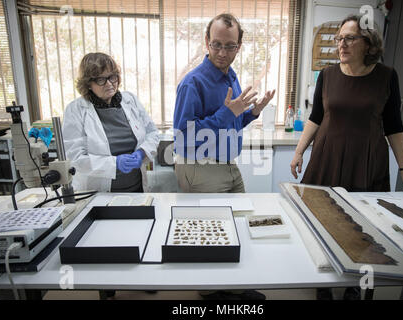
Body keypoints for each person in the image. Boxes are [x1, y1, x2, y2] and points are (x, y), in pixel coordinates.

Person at [290, 15, 403, 300]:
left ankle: (357, 286)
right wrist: (298, 152)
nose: (341, 44)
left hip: (366, 162)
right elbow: (316, 117)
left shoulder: (386, 76)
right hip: (327, 158)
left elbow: (393, 125)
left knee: (365, 229)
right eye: (339, 39)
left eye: (349, 38)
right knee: (324, 221)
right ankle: (325, 284)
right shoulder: (328, 75)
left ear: (368, 43)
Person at [173, 13, 275, 300]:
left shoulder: (231, 76)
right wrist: (226, 113)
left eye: (229, 46)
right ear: (207, 42)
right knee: (211, 231)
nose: (221, 52)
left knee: (238, 224)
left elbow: (230, 124)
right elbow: (183, 136)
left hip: (227, 165)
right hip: (200, 166)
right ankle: (210, 291)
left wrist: (252, 113)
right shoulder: (193, 83)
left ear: (238, 47)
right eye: (216, 44)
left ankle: (232, 284)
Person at [63, 52, 160, 194]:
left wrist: (141, 152)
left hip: (137, 189)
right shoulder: (76, 110)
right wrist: (114, 164)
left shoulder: (130, 100)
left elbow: (152, 132)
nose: (109, 84)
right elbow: (75, 158)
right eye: (101, 79)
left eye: (112, 77)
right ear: (88, 83)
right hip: (98, 193)